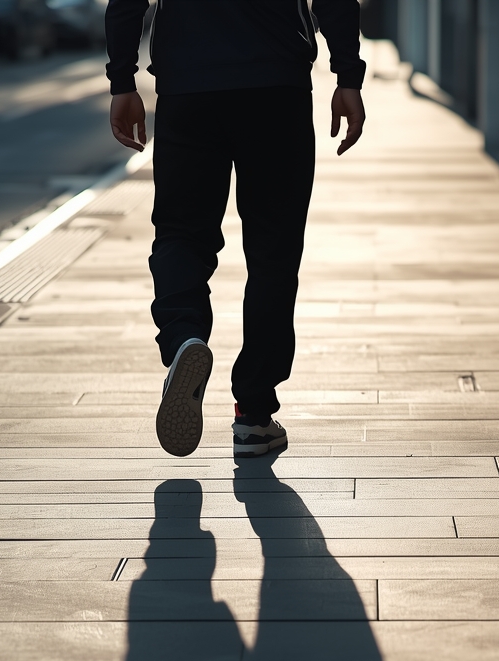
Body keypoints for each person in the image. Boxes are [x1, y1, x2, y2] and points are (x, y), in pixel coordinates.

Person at [104, 0, 366, 458]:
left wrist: (123, 82)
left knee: (181, 233)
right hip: (275, 83)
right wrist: (347, 76)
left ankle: (184, 336)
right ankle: (253, 413)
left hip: (188, 84)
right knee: (273, 248)